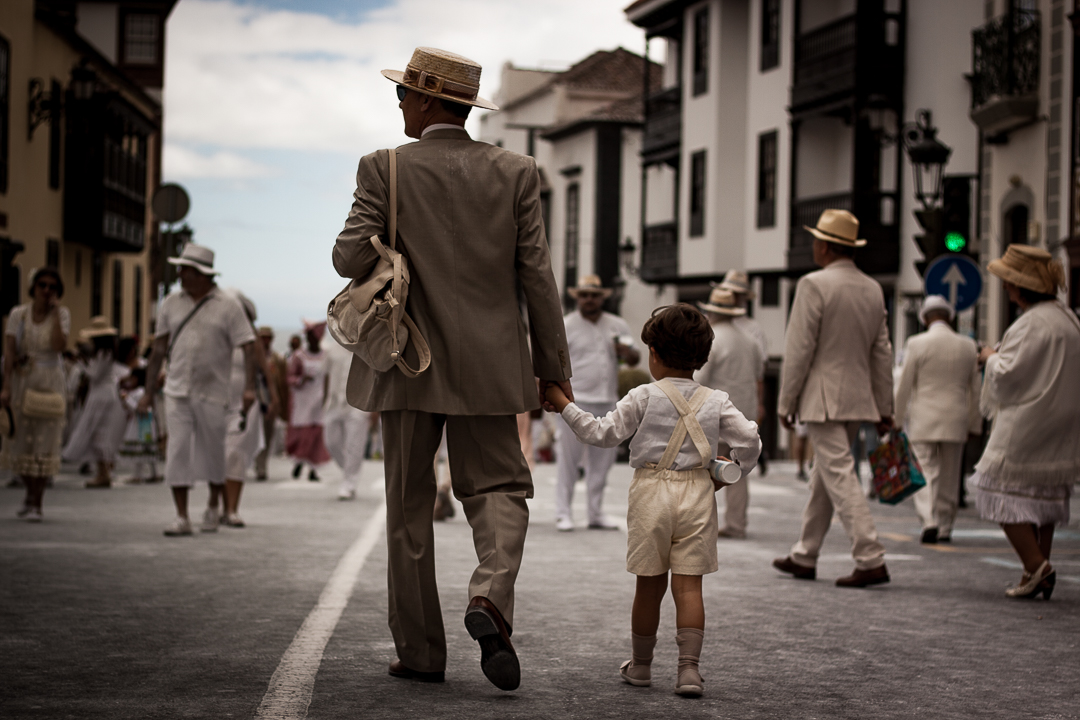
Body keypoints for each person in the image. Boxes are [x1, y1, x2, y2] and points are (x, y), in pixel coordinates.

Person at [333, 46, 570, 691]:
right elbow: (537, 277)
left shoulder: (383, 168)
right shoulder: (518, 172)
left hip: (404, 361)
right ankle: (490, 594)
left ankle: (420, 652)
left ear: (433, 98)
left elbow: (348, 256)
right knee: (499, 488)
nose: (401, 104)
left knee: (409, 506)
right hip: (493, 364)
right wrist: (551, 366)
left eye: (407, 93)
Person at [546, 304, 760, 697]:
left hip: (650, 493)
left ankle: (642, 667)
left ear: (655, 354)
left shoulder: (643, 395)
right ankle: (689, 671)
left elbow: (601, 433)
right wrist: (731, 472)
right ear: (702, 357)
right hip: (697, 491)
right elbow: (750, 441)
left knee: (649, 586)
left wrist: (563, 405)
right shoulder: (717, 400)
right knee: (689, 587)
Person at [773, 209, 893, 588]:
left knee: (838, 474)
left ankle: (870, 555)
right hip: (858, 396)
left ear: (823, 245)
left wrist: (786, 400)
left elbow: (799, 349)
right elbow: (882, 352)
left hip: (822, 396)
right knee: (826, 476)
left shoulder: (813, 284)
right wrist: (885, 406)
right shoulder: (873, 287)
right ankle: (805, 554)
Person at [970, 245, 1079, 599]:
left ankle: (1037, 566)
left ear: (1018, 286)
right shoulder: (1068, 319)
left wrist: (989, 357)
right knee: (1042, 497)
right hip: (1062, 419)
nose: (1004, 288)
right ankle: (1036, 568)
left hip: (1029, 419)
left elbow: (1009, 374)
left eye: (1007, 282)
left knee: (996, 488)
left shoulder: (1031, 324)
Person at [138, 244, 257, 536]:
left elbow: (249, 346)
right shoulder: (171, 303)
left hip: (213, 392)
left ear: (202, 274)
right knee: (177, 451)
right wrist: (147, 390)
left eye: (185, 270)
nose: (180, 274)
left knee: (213, 453)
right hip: (177, 390)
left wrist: (250, 387)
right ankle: (181, 516)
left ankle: (214, 504)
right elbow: (158, 350)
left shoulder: (228, 306)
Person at [894, 294, 982, 544]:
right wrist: (975, 424)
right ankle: (945, 525)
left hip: (924, 418)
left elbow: (904, 385)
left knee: (925, 470)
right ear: (949, 318)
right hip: (956, 418)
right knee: (951, 474)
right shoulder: (967, 346)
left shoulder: (917, 344)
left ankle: (928, 519)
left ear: (925, 318)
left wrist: (897, 418)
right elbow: (975, 390)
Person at [555, 274, 640, 532]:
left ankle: (595, 512)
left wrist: (626, 353)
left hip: (607, 400)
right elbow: (553, 363)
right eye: (584, 295)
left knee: (602, 461)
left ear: (602, 298)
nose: (589, 299)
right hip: (575, 401)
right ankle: (563, 512)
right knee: (568, 460)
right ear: (577, 298)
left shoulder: (617, 326)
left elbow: (634, 358)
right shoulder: (566, 325)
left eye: (594, 295)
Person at [1, 267, 69, 522]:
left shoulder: (61, 314)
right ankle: (29, 494)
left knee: (45, 442)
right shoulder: (18, 315)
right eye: (42, 285)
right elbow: (9, 351)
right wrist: (5, 385)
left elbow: (58, 346)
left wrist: (55, 316)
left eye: (52, 286)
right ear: (33, 288)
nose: (47, 291)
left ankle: (37, 502)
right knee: (22, 440)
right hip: (23, 379)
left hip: (49, 380)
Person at [695, 287, 763, 539]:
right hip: (744, 412)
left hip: (716, 414)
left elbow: (700, 378)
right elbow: (758, 377)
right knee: (738, 470)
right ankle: (737, 523)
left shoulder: (711, 340)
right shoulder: (750, 340)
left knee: (703, 470)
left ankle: (703, 522)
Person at [219, 289, 278, 527]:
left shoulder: (251, 340)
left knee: (235, 455)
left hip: (245, 404)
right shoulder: (220, 336)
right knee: (220, 457)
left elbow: (265, 370)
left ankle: (232, 509)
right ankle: (220, 506)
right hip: (220, 403)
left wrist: (274, 398)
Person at [61, 317, 129, 488]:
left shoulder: (103, 354)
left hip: (100, 395)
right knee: (100, 433)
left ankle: (103, 472)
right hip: (105, 393)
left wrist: (82, 364)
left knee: (96, 431)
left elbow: (94, 375)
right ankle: (103, 471)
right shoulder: (107, 353)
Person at [717, 269, 769, 474]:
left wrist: (760, 403)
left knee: (735, 464)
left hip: (740, 401)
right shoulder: (711, 326)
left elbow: (760, 374)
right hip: (719, 400)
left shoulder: (753, 330)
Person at [321, 334, 372, 501]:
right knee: (331, 442)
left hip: (358, 406)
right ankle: (349, 471)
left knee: (354, 446)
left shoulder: (366, 350)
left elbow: (374, 380)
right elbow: (325, 377)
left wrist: (374, 409)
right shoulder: (332, 350)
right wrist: (324, 401)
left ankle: (349, 484)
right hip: (334, 404)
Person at [286, 321, 330, 481]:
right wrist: (301, 380)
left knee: (316, 435)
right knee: (303, 435)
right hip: (302, 402)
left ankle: (313, 468)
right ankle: (299, 461)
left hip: (319, 401)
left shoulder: (325, 355)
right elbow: (290, 378)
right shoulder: (299, 356)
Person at [254, 326, 289, 481]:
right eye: (262, 337)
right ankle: (254, 463)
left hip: (269, 402)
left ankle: (262, 466)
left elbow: (282, 383)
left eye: (268, 337)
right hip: (254, 401)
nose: (265, 340)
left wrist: (282, 405)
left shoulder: (277, 359)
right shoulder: (252, 357)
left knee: (267, 435)